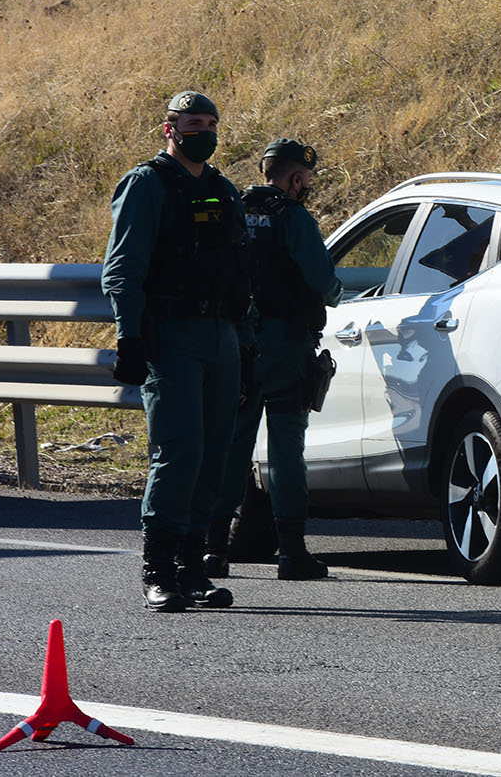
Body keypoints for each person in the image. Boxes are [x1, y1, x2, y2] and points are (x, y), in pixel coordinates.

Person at [102, 91, 251, 612]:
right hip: (172, 335)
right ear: (170, 129)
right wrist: (129, 335)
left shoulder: (222, 189)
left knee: (215, 454)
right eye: (194, 123)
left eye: (211, 122)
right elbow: (122, 267)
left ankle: (194, 569)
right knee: (179, 451)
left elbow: (241, 270)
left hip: (222, 337)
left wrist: (245, 344)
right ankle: (159, 569)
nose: (204, 131)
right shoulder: (148, 184)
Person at [205, 138, 343, 581]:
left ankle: (213, 551)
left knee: (232, 446)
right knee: (286, 448)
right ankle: (291, 552)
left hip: (239, 345)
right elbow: (323, 280)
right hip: (286, 347)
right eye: (307, 181)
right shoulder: (294, 217)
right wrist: (336, 294)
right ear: (296, 178)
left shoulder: (232, 209)